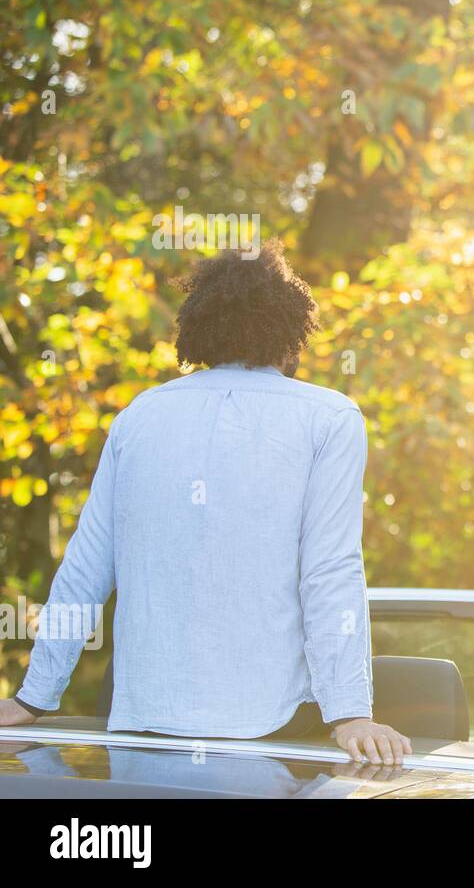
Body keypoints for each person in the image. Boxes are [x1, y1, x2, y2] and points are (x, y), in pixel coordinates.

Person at [0, 241, 411, 766]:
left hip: (142, 718)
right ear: (291, 336)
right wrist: (350, 712)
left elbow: (84, 570)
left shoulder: (140, 416)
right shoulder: (329, 417)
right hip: (272, 724)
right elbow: (330, 570)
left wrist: (32, 697)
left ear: (198, 328)